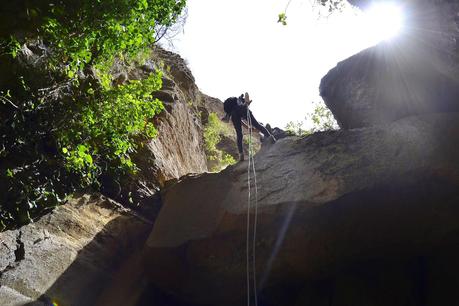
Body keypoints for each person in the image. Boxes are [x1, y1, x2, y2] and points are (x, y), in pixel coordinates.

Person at [222, 92, 275, 161]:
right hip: (242, 108)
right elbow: (242, 115)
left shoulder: (231, 106)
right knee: (257, 125)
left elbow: (239, 121)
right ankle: (270, 136)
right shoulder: (238, 100)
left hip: (234, 114)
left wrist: (248, 127)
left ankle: (241, 154)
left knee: (239, 134)